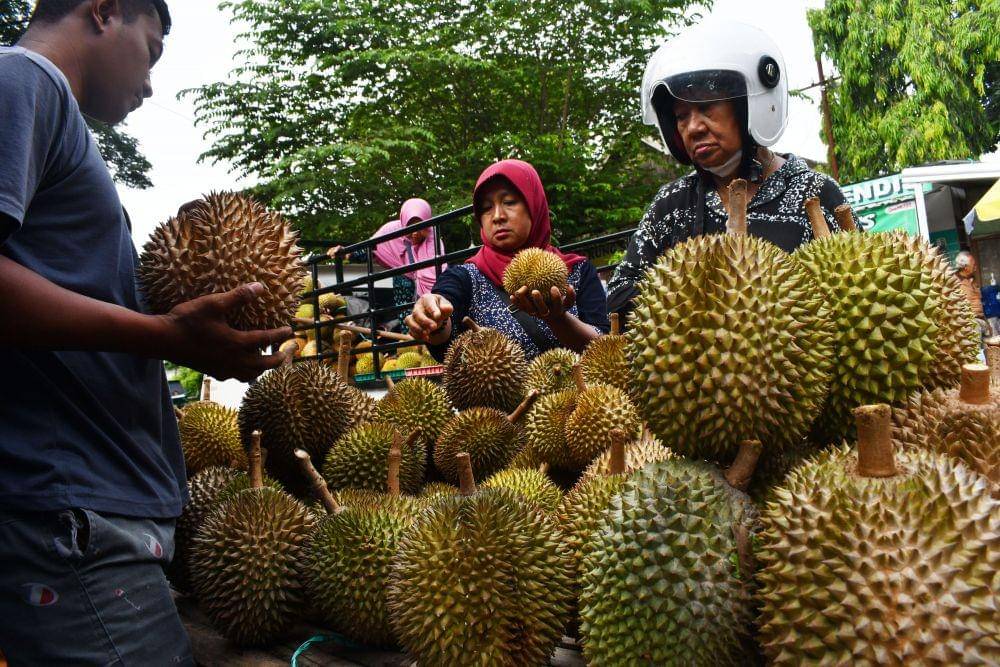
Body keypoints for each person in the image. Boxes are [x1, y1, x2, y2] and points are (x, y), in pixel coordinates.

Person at [0, 1, 290, 663]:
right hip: (66, 518)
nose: (151, 82)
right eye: (152, 49)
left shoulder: (55, 121)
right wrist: (164, 335)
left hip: (84, 516)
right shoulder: (23, 81)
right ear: (104, 10)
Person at [607, 19, 855, 322]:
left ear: (745, 107)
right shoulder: (672, 204)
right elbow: (619, 297)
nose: (693, 127)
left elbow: (856, 291)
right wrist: (699, 293)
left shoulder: (815, 191)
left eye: (707, 108)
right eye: (681, 116)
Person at [406, 159, 610, 358]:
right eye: (486, 208)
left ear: (534, 206)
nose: (497, 216)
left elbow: (604, 347)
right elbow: (445, 337)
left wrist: (559, 319)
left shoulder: (578, 270)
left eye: (509, 202)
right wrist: (435, 319)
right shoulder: (465, 276)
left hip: (578, 391)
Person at [328, 198, 445, 331]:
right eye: (410, 226)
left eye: (420, 226)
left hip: (428, 287)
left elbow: (438, 271)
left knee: (437, 299)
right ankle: (409, 334)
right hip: (404, 280)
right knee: (402, 283)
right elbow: (369, 249)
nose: (415, 233)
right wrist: (346, 252)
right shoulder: (392, 230)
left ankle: (433, 333)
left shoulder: (433, 238)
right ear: (403, 222)